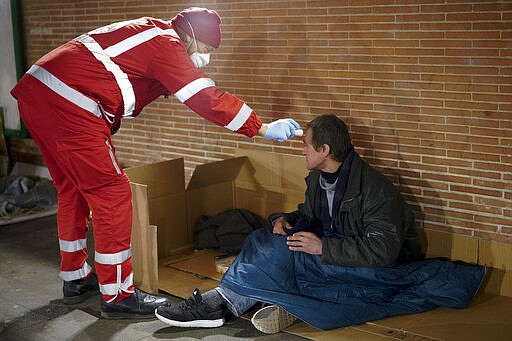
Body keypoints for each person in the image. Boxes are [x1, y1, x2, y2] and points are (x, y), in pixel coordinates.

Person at [10, 7, 301, 319]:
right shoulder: (166, 44)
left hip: (40, 93)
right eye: (204, 49)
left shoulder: (150, 35)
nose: (205, 58)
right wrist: (262, 127)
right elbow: (204, 97)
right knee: (112, 193)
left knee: (72, 190)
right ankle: (118, 294)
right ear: (190, 34)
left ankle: (76, 277)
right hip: (70, 102)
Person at [154, 114, 486, 333]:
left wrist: (322, 246)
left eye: (305, 145)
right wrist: (289, 220)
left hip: (376, 265)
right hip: (335, 247)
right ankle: (232, 301)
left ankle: (218, 305)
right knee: (265, 239)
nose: (302, 152)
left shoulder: (375, 190)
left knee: (288, 255)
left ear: (324, 149)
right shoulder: (319, 177)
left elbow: (383, 250)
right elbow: (313, 213)